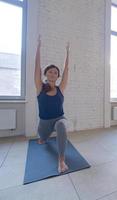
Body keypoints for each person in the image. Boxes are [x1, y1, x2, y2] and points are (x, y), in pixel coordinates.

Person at [34, 36, 70, 173]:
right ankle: (44, 137)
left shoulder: (61, 88)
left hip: (59, 119)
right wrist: (38, 47)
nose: (53, 73)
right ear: (46, 74)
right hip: (44, 123)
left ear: (57, 76)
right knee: (42, 140)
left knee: (61, 125)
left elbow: (66, 70)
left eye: (55, 72)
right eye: (50, 71)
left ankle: (61, 160)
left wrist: (68, 52)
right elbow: (37, 67)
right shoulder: (40, 87)